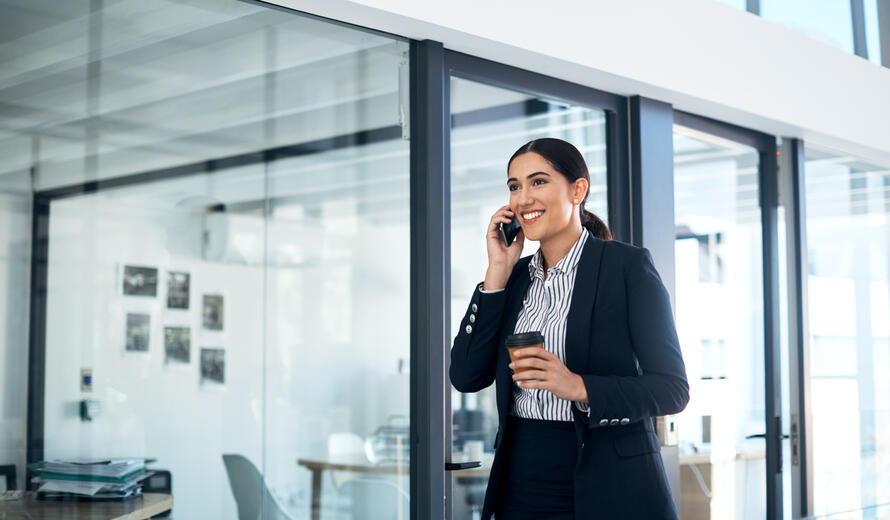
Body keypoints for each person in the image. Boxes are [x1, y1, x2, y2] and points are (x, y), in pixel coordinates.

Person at [450, 138, 689, 519]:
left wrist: (578, 386)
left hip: (610, 479)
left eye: (538, 182)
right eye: (514, 186)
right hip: (521, 479)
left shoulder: (626, 268)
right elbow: (465, 375)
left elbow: (673, 390)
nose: (523, 198)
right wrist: (496, 273)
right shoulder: (512, 281)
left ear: (578, 189)